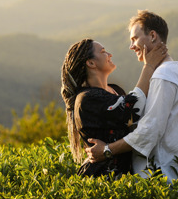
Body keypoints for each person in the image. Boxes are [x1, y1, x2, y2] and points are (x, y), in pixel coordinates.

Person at [86, 10, 178, 189]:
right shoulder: (164, 73)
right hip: (167, 174)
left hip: (165, 179)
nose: (131, 46)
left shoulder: (163, 76)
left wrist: (107, 150)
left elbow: (150, 130)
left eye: (134, 39)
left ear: (152, 36)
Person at [61, 38, 167, 178]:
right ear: (91, 63)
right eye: (103, 51)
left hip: (124, 176)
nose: (109, 54)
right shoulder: (87, 99)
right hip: (100, 178)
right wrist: (149, 66)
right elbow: (134, 108)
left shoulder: (115, 90)